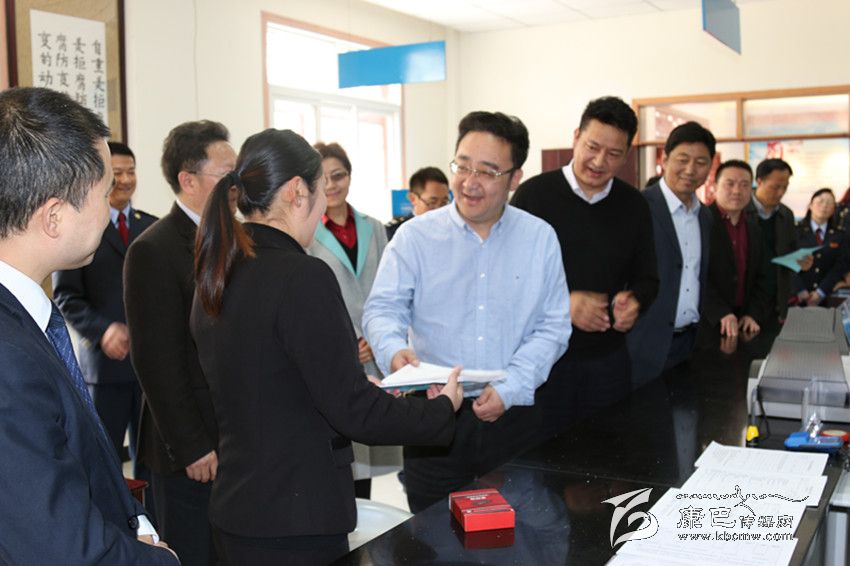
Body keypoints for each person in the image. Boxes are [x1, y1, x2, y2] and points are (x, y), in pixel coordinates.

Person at [189, 128, 462, 565]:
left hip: (240, 508)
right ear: (298, 191)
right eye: (320, 190)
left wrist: (355, 385)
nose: (323, 208)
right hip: (296, 520)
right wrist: (441, 409)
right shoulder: (302, 276)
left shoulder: (220, 269)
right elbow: (353, 411)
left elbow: (273, 383)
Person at [0, 86, 177, 564]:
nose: (108, 207)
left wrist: (136, 527)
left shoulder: (25, 316)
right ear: (54, 216)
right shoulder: (7, 357)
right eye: (103, 193)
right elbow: (59, 543)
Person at [363, 111, 571, 512]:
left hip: (513, 418)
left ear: (515, 177)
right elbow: (383, 308)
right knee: (431, 531)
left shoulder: (539, 239)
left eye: (488, 171)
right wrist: (393, 352)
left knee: (515, 531)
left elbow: (553, 326)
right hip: (433, 417)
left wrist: (510, 388)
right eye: (462, 166)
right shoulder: (415, 237)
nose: (469, 182)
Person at [511, 96, 658, 435]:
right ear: (576, 137)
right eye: (592, 147)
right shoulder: (533, 196)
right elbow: (509, 279)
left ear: (627, 155)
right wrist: (565, 304)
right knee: (543, 456)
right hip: (544, 361)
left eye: (614, 153)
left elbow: (649, 277)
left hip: (608, 361)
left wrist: (635, 301)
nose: (599, 161)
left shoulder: (634, 205)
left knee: (608, 451)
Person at [124, 120, 236, 566]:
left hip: (236, 440)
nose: (236, 185)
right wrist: (192, 445)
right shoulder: (153, 249)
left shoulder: (237, 239)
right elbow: (156, 361)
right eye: (226, 174)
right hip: (189, 450)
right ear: (188, 180)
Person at [53, 141, 157, 487]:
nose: (125, 180)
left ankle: (150, 517)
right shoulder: (81, 229)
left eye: (131, 172)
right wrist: (103, 331)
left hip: (150, 366)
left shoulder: (152, 227)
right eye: (117, 173)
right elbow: (66, 296)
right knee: (106, 458)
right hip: (105, 367)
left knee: (152, 460)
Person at [307, 141, 395, 499]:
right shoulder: (307, 232)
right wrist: (346, 344)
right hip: (337, 352)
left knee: (370, 458)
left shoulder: (374, 227)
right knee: (344, 459)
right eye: (323, 178)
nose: (331, 185)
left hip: (376, 349)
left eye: (339, 175)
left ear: (350, 176)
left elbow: (389, 286)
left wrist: (378, 336)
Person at [627, 122, 714, 389]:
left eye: (701, 162)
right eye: (682, 159)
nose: (691, 170)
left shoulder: (705, 216)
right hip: (642, 346)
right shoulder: (637, 207)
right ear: (664, 159)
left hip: (689, 345)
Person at [703, 160, 771, 337]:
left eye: (744, 185)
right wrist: (720, 312)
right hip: (707, 322)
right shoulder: (700, 222)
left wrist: (752, 314)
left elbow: (763, 277)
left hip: (744, 324)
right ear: (715, 186)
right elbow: (695, 274)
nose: (737, 191)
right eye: (730, 183)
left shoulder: (755, 229)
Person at [748, 158, 812, 323]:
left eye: (785, 187)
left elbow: (791, 251)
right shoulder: (741, 210)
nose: (781, 193)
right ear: (759, 181)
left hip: (776, 300)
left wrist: (801, 261)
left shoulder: (786, 214)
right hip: (747, 300)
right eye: (775, 187)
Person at [793, 188, 850, 305]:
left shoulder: (840, 235)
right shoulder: (794, 231)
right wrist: (799, 289)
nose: (824, 206)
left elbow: (840, 266)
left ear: (834, 209)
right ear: (810, 205)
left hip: (827, 297)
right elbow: (786, 263)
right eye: (821, 201)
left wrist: (821, 292)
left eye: (829, 203)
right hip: (796, 297)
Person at [385, 166, 450, 239]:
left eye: (444, 202)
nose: (440, 209)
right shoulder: (394, 231)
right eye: (432, 202)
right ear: (413, 198)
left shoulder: (451, 229)